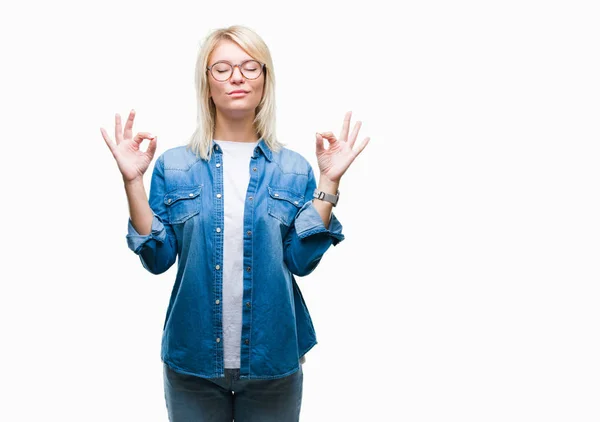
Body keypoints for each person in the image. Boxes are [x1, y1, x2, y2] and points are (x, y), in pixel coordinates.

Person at [100, 25, 369, 422]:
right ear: (206, 84)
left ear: (265, 80)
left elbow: (302, 261)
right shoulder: (174, 165)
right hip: (192, 360)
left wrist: (329, 182)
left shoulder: (294, 169)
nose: (237, 77)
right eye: (222, 68)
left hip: (272, 358)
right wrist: (132, 182)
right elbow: (158, 259)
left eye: (249, 67)